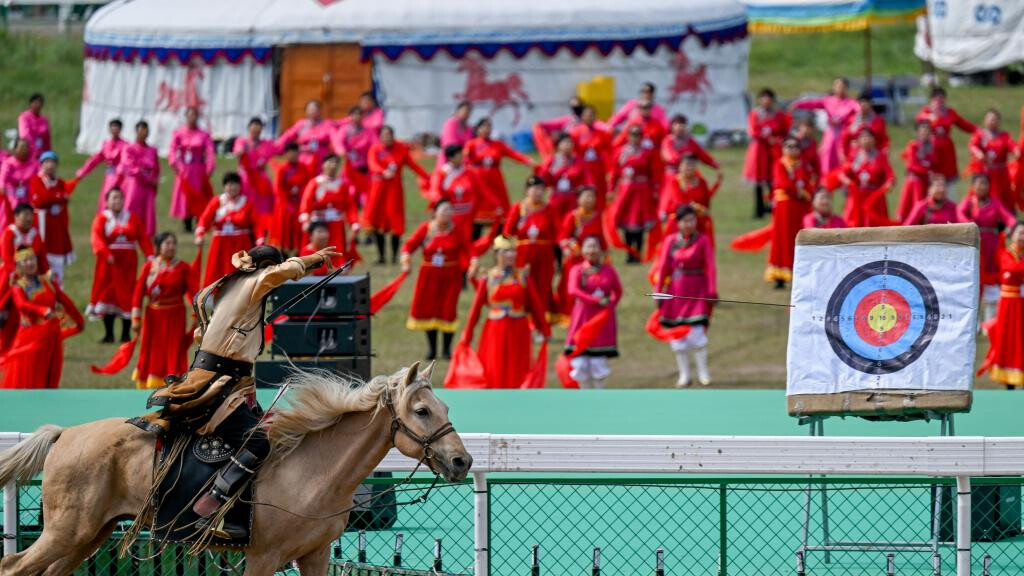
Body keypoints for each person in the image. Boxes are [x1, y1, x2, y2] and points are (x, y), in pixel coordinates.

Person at [129, 244, 341, 539]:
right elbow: (281, 273)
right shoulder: (253, 284)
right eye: (270, 270)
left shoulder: (232, 287)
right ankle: (208, 510)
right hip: (217, 384)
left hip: (227, 382)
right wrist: (314, 259)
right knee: (256, 443)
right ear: (265, 267)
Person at [460, 235, 550, 389]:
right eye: (506, 251)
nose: (511, 255)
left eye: (513, 251)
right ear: (497, 254)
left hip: (519, 329)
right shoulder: (488, 277)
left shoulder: (523, 276)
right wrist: (467, 336)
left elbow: (535, 305)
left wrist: (544, 330)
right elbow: (476, 308)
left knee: (518, 367)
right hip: (495, 330)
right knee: (495, 366)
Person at [0, 247, 83, 389]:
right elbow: (22, 304)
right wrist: (42, 310)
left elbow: (64, 300)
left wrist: (79, 320)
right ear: (19, 265)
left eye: (32, 259)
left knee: (49, 374)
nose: (30, 263)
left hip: (51, 336)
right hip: (30, 339)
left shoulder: (47, 281)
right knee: (30, 376)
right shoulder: (18, 287)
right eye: (25, 260)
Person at [401, 200, 473, 360]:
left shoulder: (457, 231)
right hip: (429, 276)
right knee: (430, 310)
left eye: (450, 210)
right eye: (444, 210)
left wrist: (473, 264)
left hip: (451, 277)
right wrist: (405, 259)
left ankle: (446, 349)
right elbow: (409, 245)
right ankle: (432, 349)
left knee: (448, 310)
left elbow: (470, 250)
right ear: (435, 213)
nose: (447, 213)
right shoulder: (426, 229)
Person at [653, 206, 717, 387]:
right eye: (685, 221)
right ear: (678, 223)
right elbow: (663, 267)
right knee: (677, 335)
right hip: (676, 291)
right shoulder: (670, 241)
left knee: (697, 333)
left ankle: (703, 372)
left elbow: (710, 266)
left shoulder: (703, 240)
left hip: (697, 289)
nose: (689, 224)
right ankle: (684, 374)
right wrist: (659, 291)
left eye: (692, 220)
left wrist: (712, 290)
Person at [87, 188, 154, 343]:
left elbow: (142, 237)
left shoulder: (131, 217)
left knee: (127, 294)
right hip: (109, 264)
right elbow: (96, 238)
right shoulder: (102, 218)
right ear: (107, 201)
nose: (117, 201)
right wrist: (106, 253)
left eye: (120, 198)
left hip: (127, 263)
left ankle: (126, 334)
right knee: (108, 294)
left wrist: (149, 255)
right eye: (113, 198)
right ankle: (109, 334)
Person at [131, 232, 196, 389]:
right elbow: (138, 293)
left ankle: (173, 382)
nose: (171, 246)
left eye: (173, 243)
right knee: (152, 349)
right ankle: (150, 382)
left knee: (174, 348)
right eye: (167, 243)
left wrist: (196, 317)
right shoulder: (149, 267)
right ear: (158, 247)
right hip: (153, 316)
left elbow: (195, 293)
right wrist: (136, 319)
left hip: (175, 315)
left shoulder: (183, 268)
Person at [364, 125, 430, 264]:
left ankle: (394, 256)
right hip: (379, 190)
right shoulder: (375, 149)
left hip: (394, 190)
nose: (387, 138)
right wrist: (383, 172)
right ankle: (381, 256)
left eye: (389, 135)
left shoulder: (400, 149)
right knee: (378, 222)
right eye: (384, 135)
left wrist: (427, 177)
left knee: (395, 222)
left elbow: (413, 165)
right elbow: (372, 164)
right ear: (380, 137)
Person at [958, 174, 1016, 323]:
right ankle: (973, 321)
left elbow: (1008, 217)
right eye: (978, 184)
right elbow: (960, 214)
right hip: (975, 245)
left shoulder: (994, 202)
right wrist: (970, 225)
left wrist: (1015, 227)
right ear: (973, 186)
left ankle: (990, 320)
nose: (982, 187)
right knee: (975, 281)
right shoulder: (969, 202)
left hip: (992, 245)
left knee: (993, 279)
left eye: (985, 184)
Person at [565, 236, 621, 388]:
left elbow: (617, 291)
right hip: (582, 317)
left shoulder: (609, 271)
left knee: (598, 362)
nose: (592, 250)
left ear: (601, 250)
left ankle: (600, 395)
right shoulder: (577, 270)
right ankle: (585, 395)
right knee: (580, 363)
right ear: (582, 250)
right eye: (588, 247)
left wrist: (610, 305)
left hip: (601, 321)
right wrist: (596, 301)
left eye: (595, 246)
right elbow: (573, 290)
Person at [503, 176, 559, 321]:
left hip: (544, 257)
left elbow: (558, 233)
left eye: (541, 189)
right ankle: (523, 318)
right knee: (523, 286)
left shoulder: (549, 209)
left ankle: (540, 321)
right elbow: (507, 232)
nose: (537, 192)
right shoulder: (518, 208)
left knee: (543, 287)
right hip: (523, 257)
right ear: (527, 191)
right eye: (534, 189)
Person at [464, 117, 534, 230]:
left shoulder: (497, 145)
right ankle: (473, 244)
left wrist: (527, 160)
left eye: (489, 126)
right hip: (479, 181)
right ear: (477, 129)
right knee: (477, 217)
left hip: (495, 181)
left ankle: (501, 243)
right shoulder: (471, 145)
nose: (487, 129)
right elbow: (464, 161)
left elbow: (513, 154)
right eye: (484, 126)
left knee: (500, 213)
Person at [765, 137, 814, 288]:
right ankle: (780, 276)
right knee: (782, 238)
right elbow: (782, 183)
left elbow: (809, 181)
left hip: (800, 207)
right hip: (784, 207)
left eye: (795, 147)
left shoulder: (804, 165)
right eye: (788, 146)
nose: (792, 149)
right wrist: (798, 191)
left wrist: (805, 192)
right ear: (783, 149)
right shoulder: (779, 164)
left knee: (799, 237)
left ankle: (801, 273)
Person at [981, 223, 1024, 388]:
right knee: (1009, 338)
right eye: (1020, 233)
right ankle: (1009, 380)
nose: (1022, 237)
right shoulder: (1006, 253)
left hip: (1021, 302)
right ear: (1012, 235)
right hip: (1009, 304)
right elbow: (1010, 268)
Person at [195, 173, 256, 288]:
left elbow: (257, 224)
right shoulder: (217, 201)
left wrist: (260, 240)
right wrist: (199, 234)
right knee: (217, 271)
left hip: (241, 244)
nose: (232, 187)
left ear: (240, 186)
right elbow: (204, 219)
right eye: (229, 184)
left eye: (235, 184)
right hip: (220, 245)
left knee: (240, 274)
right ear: (224, 186)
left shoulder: (247, 203)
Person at [609, 124, 658, 262]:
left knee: (640, 222)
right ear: (628, 136)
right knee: (627, 222)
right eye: (632, 134)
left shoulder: (647, 153)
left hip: (642, 190)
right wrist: (611, 190)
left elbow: (654, 172)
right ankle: (629, 252)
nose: (635, 137)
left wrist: (655, 189)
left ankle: (638, 252)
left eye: (637, 134)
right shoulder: (621, 152)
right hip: (626, 191)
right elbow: (614, 173)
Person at [789, 77, 858, 174]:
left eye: (842, 86)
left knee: (843, 155)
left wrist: (848, 122)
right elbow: (813, 103)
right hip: (831, 133)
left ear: (846, 88)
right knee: (826, 154)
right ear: (834, 87)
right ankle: (825, 178)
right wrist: (798, 104)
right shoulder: (828, 100)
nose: (839, 88)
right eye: (837, 86)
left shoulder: (851, 103)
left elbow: (859, 114)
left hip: (844, 133)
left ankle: (844, 179)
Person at [556, 187, 604, 316]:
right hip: (575, 258)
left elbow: (601, 237)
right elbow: (562, 236)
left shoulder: (597, 216)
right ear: (578, 199)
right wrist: (569, 248)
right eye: (586, 196)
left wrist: (605, 253)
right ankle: (570, 310)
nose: (589, 200)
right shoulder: (572, 216)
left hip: (593, 257)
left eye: (592, 197)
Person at [744, 88, 791, 219]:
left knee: (773, 179)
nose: (766, 101)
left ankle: (773, 206)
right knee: (758, 181)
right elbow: (753, 131)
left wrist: (777, 139)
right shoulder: (755, 114)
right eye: (763, 98)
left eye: (769, 98)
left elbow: (784, 130)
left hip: (774, 150)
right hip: (759, 150)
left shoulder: (778, 115)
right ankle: (758, 209)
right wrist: (767, 137)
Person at [29, 151, 75, 283]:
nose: (49, 165)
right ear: (41, 165)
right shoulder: (36, 180)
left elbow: (64, 198)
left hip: (57, 228)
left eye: (52, 162)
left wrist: (56, 198)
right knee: (40, 258)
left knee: (57, 262)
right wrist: (58, 197)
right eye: (46, 162)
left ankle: (57, 293)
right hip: (42, 226)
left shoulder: (60, 183)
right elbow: (40, 200)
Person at [430, 145, 494, 240]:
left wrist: (496, 204)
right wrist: (443, 207)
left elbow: (483, 189)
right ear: (450, 158)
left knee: (467, 241)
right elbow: (435, 191)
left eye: (461, 154)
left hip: (468, 215)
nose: (462, 157)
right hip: (451, 215)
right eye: (458, 155)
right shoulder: (442, 173)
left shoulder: (469, 171)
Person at [298, 155, 360, 252]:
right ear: (323, 165)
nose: (333, 165)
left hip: (336, 224)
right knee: (316, 252)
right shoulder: (315, 182)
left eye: (336, 163)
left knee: (336, 251)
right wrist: (305, 220)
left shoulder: (343, 184)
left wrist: (354, 222)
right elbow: (306, 202)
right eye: (330, 162)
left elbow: (350, 205)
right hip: (319, 223)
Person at [915, 87, 975, 185]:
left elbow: (963, 124)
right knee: (932, 170)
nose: (939, 101)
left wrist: (977, 130)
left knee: (948, 173)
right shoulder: (926, 112)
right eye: (936, 98)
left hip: (947, 147)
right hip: (931, 146)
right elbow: (919, 119)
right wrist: (930, 116)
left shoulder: (949, 112)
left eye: (942, 98)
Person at [168, 106, 215, 230]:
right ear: (186, 116)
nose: (192, 118)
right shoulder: (179, 133)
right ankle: (186, 221)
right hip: (184, 168)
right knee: (185, 195)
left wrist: (209, 167)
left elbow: (210, 151)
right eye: (190, 115)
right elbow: (172, 150)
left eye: (195, 115)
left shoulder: (204, 134)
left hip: (198, 168)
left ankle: (200, 219)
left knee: (199, 193)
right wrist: (175, 164)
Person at [232, 117, 279, 242]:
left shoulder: (267, 144)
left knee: (263, 207)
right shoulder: (242, 141)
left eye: (259, 126)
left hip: (261, 179)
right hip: (246, 179)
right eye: (254, 126)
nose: (256, 129)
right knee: (246, 204)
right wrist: (241, 152)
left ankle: (262, 232)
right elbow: (237, 152)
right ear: (249, 128)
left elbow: (276, 153)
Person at [661, 114, 720, 211]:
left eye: (682, 124)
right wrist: (686, 161)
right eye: (677, 124)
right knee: (672, 203)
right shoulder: (668, 141)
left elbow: (702, 154)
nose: (680, 127)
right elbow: (670, 156)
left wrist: (714, 165)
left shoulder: (690, 141)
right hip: (673, 176)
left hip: (689, 175)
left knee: (695, 198)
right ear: (672, 126)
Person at [838, 129, 894, 227]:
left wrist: (889, 184)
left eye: (869, 137)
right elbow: (842, 173)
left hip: (874, 198)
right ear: (858, 140)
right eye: (863, 137)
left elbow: (890, 176)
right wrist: (848, 182)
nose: (866, 140)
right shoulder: (853, 155)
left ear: (874, 140)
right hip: (857, 196)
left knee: (874, 227)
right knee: (854, 226)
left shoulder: (880, 156)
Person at [969, 109, 1019, 212]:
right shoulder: (980, 134)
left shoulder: (1004, 135)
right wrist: (978, 153)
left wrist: (1016, 150)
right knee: (982, 192)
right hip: (985, 172)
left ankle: (1005, 218)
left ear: (999, 121)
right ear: (985, 120)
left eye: (995, 119)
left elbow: (1012, 145)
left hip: (1001, 174)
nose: (992, 121)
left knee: (1004, 196)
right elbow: (972, 145)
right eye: (990, 119)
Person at [117, 120, 160, 236]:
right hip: (134, 183)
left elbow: (156, 167)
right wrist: (146, 178)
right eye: (141, 130)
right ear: (136, 131)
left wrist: (155, 179)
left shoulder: (152, 150)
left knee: (148, 210)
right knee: (132, 207)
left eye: (145, 130)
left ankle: (146, 234)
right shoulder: (129, 148)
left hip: (148, 186)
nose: (143, 133)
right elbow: (129, 166)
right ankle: (128, 230)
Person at [660, 155, 720, 238]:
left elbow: (706, 200)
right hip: (680, 218)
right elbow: (679, 201)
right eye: (687, 165)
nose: (689, 167)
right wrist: (697, 208)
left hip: (698, 219)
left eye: (692, 165)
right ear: (680, 166)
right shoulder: (675, 181)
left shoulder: (702, 182)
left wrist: (717, 184)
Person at [333, 105, 378, 209]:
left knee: (366, 194)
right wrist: (342, 151)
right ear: (350, 116)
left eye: (359, 114)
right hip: (349, 167)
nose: (357, 117)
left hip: (364, 167)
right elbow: (337, 142)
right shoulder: (345, 130)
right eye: (354, 114)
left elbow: (375, 145)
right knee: (349, 191)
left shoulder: (369, 131)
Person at [76, 118, 126, 212]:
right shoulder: (106, 144)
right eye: (112, 127)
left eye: (117, 127)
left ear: (120, 129)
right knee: (106, 199)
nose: (114, 129)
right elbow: (96, 159)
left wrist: (120, 172)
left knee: (118, 198)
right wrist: (83, 171)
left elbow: (125, 162)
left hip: (120, 177)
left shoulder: (125, 145)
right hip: (109, 176)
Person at [271, 142, 313, 252]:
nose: (294, 155)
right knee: (284, 229)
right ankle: (283, 252)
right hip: (285, 204)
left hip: (299, 202)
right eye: (291, 153)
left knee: (299, 228)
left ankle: (300, 250)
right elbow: (278, 188)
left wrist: (300, 194)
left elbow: (307, 184)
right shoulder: (282, 169)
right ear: (285, 154)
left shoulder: (303, 167)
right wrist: (287, 199)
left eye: (296, 152)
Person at [569, 106, 614, 209]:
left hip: (597, 167)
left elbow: (609, 152)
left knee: (599, 193)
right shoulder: (575, 132)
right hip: (582, 167)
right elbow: (573, 151)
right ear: (583, 116)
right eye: (587, 115)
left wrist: (609, 169)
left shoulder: (602, 133)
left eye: (591, 115)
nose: (589, 117)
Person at [536, 134, 584, 224]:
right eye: (565, 143)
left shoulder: (578, 160)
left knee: (571, 220)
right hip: (556, 195)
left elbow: (584, 177)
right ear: (558, 145)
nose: (567, 145)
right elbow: (543, 175)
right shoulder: (552, 159)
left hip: (572, 195)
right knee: (555, 219)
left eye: (570, 143)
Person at [276, 99, 334, 170]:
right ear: (306, 111)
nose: (312, 112)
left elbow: (336, 137)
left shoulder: (327, 124)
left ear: (319, 111)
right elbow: (287, 136)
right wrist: (275, 147)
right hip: (303, 159)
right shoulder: (301, 124)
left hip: (321, 159)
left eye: (314, 110)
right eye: (309, 110)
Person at [898, 121, 937, 222]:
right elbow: (911, 165)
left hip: (926, 182)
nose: (925, 132)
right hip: (915, 182)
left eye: (928, 129)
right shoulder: (913, 145)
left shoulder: (932, 147)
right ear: (918, 132)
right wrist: (927, 171)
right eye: (922, 129)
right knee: (913, 207)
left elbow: (934, 163)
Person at [841, 91, 889, 160]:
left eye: (865, 102)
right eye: (861, 103)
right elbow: (845, 139)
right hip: (855, 155)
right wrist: (843, 153)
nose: (863, 105)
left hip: (874, 155)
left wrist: (884, 151)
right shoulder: (852, 120)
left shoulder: (878, 120)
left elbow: (884, 139)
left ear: (870, 104)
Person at [0, 138, 38, 219]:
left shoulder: (34, 163)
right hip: (11, 191)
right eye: (21, 147)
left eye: (25, 147)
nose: (23, 150)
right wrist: (2, 186)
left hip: (29, 190)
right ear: (15, 149)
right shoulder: (9, 163)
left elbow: (40, 176)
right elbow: (3, 177)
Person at [438, 101, 474, 167]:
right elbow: (449, 144)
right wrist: (463, 151)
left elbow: (471, 144)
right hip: (449, 161)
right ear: (458, 111)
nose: (466, 113)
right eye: (465, 110)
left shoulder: (469, 128)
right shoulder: (451, 123)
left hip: (463, 162)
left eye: (469, 111)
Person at [17, 93, 50, 160]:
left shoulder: (44, 119)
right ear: (31, 104)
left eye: (40, 103)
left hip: (41, 151)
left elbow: (47, 138)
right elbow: (25, 134)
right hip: (29, 151)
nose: (38, 105)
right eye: (35, 103)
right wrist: (34, 150)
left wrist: (48, 153)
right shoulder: (24, 117)